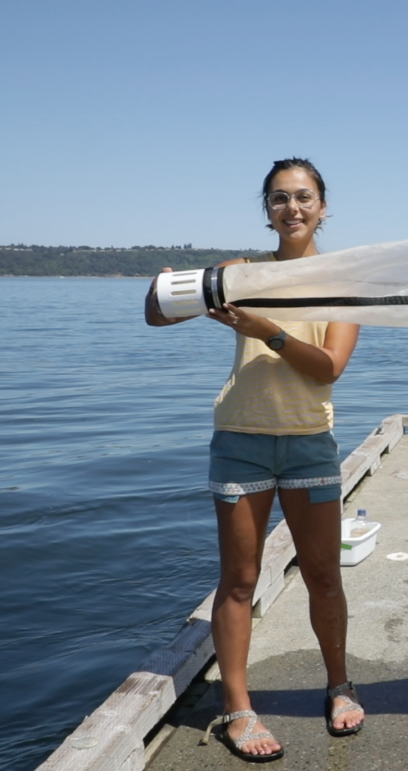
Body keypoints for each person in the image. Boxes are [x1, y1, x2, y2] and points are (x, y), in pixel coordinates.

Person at [145, 157, 364, 762]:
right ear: (266, 211)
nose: (291, 208)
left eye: (303, 196)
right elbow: (157, 313)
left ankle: (339, 684)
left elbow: (329, 369)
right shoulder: (240, 273)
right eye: (278, 199)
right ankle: (237, 709)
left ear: (323, 205)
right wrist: (166, 288)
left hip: (308, 443)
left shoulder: (344, 281)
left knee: (324, 576)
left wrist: (263, 328)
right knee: (239, 580)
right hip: (240, 439)